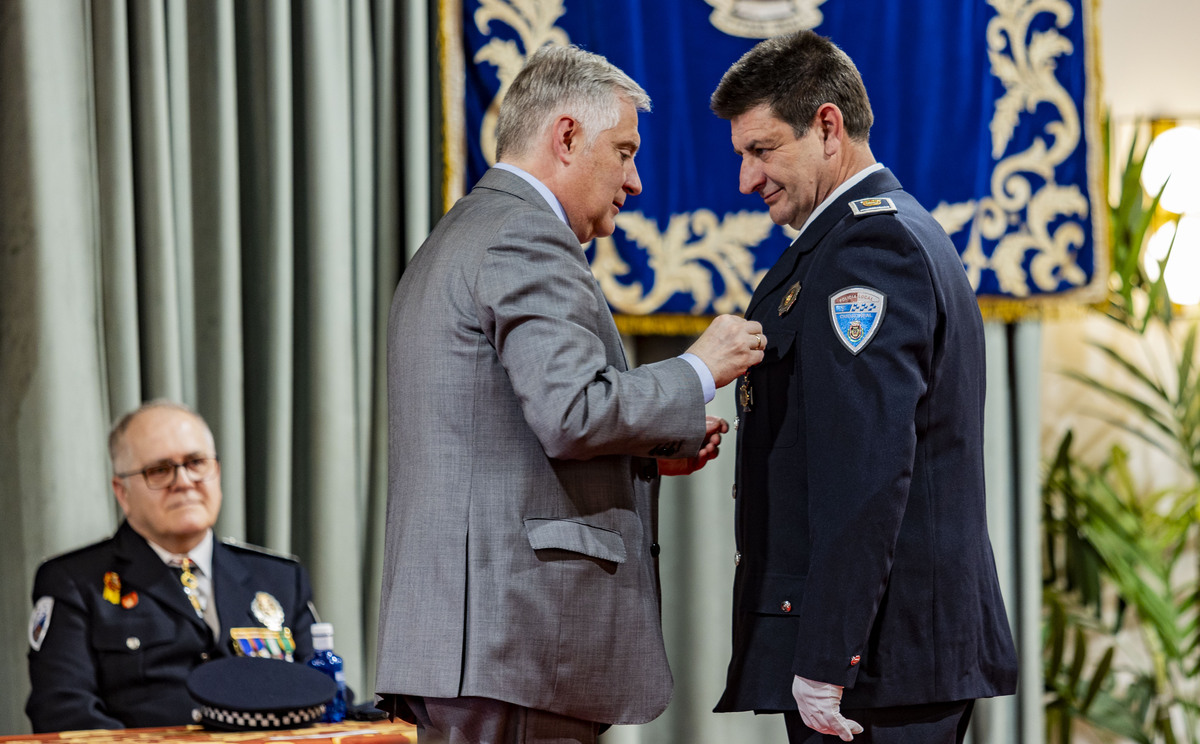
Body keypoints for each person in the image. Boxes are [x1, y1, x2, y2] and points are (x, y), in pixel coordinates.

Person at [374, 44, 765, 744]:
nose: (635, 180)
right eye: (624, 151)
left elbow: (504, 426)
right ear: (565, 136)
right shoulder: (526, 235)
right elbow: (571, 412)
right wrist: (699, 368)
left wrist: (648, 446)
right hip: (514, 645)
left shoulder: (465, 233)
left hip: (469, 648)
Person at [709, 31, 1019, 743]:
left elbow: (866, 469)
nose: (747, 180)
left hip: (876, 662)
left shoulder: (868, 250)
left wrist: (827, 658)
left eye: (761, 151)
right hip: (882, 656)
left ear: (826, 127)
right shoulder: (864, 237)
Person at [26, 400, 317, 732]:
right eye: (159, 470)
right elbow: (63, 713)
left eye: (196, 463)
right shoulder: (74, 582)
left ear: (217, 473)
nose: (184, 481)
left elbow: (328, 696)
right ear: (122, 492)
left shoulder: (279, 578)